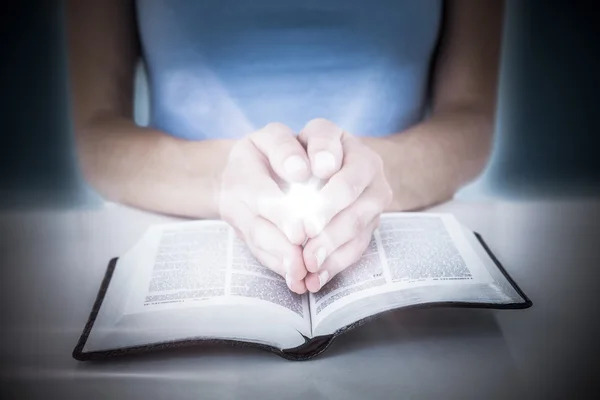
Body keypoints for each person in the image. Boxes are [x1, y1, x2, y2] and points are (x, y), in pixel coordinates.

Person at [66, 0, 504, 295]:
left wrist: (371, 177)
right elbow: (98, 134)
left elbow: (470, 117)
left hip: (395, 236)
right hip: (170, 233)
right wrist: (225, 180)